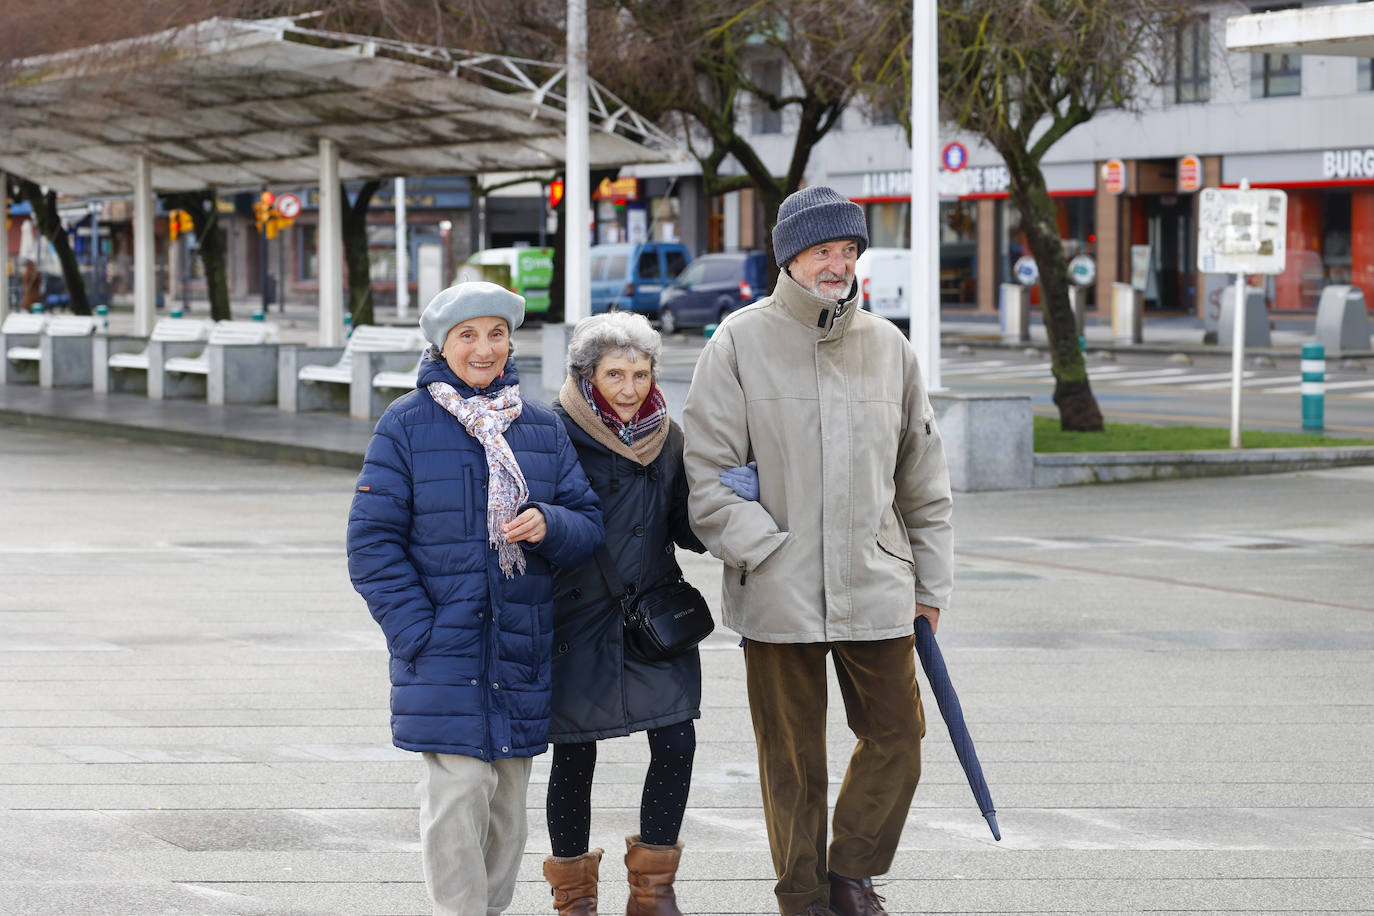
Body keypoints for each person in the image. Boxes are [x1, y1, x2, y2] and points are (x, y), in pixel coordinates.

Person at [681, 186, 955, 916]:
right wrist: (764, 553)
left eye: (848, 250)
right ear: (790, 258)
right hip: (779, 591)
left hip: (877, 585)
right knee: (793, 763)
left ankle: (851, 873)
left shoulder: (889, 347)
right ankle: (801, 897)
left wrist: (931, 584)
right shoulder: (737, 342)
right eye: (822, 250)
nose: (838, 264)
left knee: (899, 736)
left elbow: (922, 481)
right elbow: (705, 477)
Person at [347, 281, 605, 916]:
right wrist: (419, 634)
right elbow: (371, 542)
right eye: (468, 336)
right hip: (444, 648)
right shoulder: (405, 424)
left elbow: (586, 521)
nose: (484, 349)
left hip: (519, 650)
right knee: (458, 798)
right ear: (443, 344)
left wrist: (550, 523)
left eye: (495, 334)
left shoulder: (542, 426)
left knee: (507, 813)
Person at [541, 312, 708, 916]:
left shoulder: (670, 437)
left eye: (641, 373)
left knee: (677, 741)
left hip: (653, 620)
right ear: (587, 377)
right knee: (575, 753)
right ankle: (575, 898)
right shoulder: (552, 431)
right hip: (575, 620)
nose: (631, 388)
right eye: (616, 374)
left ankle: (653, 892)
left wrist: (729, 495)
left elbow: (687, 532)